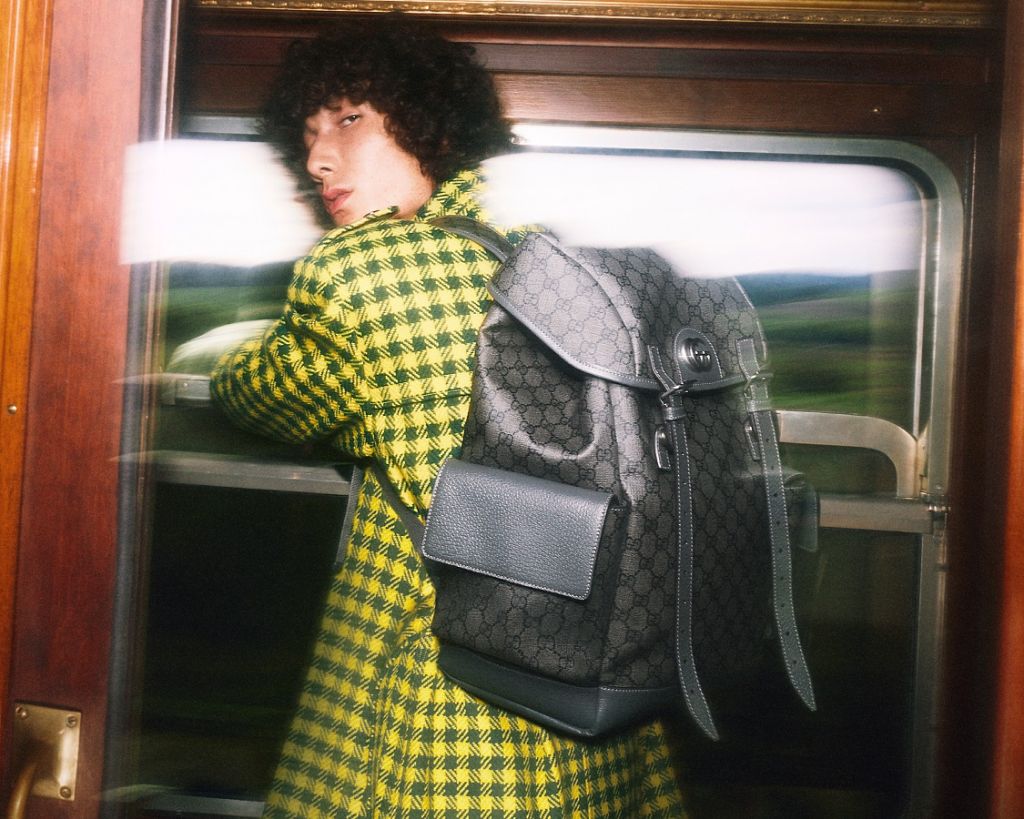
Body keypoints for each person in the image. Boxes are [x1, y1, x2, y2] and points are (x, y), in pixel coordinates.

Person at [211, 14, 686, 818]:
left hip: (448, 704)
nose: (318, 156)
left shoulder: (361, 270)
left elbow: (258, 395)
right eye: (309, 133)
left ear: (426, 124)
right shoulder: (546, 258)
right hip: (599, 684)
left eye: (348, 119)